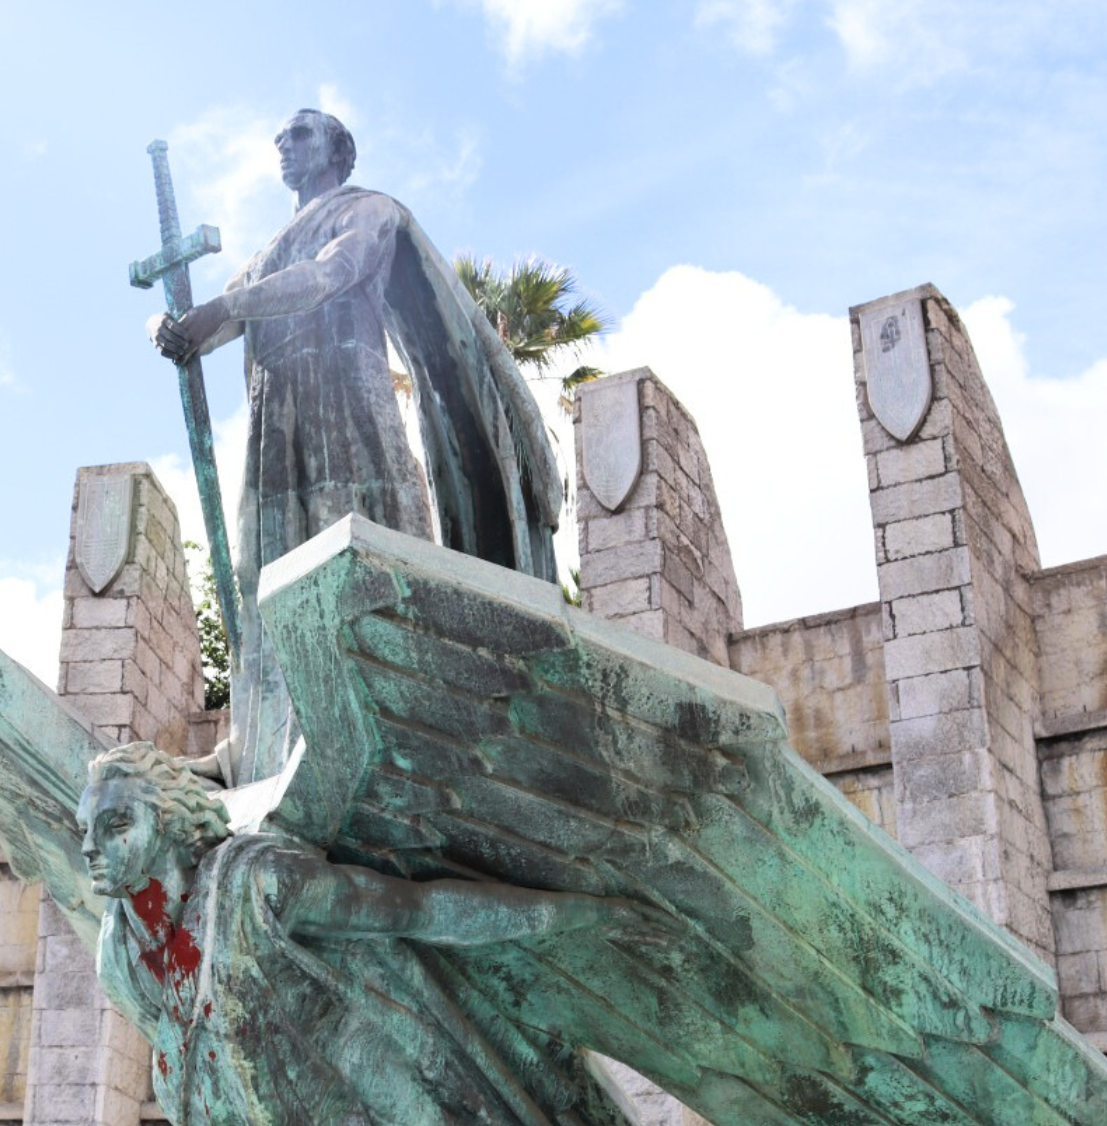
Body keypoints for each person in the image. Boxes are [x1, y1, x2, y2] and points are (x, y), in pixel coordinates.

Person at [148, 110, 561, 788]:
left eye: (301, 133)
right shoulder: (263, 256)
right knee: (271, 577)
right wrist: (167, 329)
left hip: (348, 410)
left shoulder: (368, 211)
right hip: (277, 428)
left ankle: (403, 717)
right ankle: (262, 744)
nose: (284, 143)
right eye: (280, 136)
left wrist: (222, 312)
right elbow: (210, 322)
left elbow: (334, 272)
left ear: (338, 150)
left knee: (364, 555)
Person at [78, 741, 658, 1126]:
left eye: (116, 824)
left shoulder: (256, 881)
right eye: (86, 829)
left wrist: (577, 913)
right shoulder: (119, 957)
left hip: (373, 1091)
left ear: (172, 819)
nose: (90, 849)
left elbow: (419, 909)